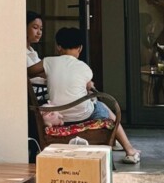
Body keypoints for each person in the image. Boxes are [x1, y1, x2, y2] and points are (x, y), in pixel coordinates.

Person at [27, 26, 141, 164]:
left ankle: (120, 144)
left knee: (98, 105)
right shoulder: (85, 68)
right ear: (80, 48)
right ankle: (129, 150)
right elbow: (87, 87)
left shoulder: (49, 62)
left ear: (58, 47)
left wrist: (48, 73)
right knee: (105, 108)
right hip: (83, 115)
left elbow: (28, 72)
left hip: (58, 116)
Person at [26, 10, 47, 103]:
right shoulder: (19, 54)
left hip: (45, 93)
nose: (39, 32)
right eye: (35, 27)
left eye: (41, 29)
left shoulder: (33, 52)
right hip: (39, 98)